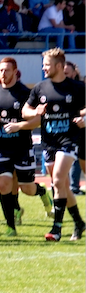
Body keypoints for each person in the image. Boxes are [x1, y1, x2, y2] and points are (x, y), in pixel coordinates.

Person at [0, 57, 53, 237]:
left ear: (15, 71)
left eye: (6, 70)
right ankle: (10, 226)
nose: (2, 74)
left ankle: (43, 192)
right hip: (1, 147)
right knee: (5, 184)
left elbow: (38, 120)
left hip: (22, 147)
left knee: (26, 188)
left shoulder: (25, 93)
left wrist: (18, 126)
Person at [22, 48, 86, 242]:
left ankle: (56, 228)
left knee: (58, 179)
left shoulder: (76, 87)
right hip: (49, 142)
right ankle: (79, 222)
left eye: (47, 64)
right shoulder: (40, 88)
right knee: (63, 185)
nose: (43, 67)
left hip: (69, 139)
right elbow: (26, 110)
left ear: (59, 66)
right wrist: (36, 113)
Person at [64, 61, 85, 196]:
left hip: (79, 127)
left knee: (78, 158)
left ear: (73, 73)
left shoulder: (80, 88)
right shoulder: (53, 88)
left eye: (67, 72)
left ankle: (73, 186)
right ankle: (71, 187)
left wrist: (77, 114)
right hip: (60, 130)